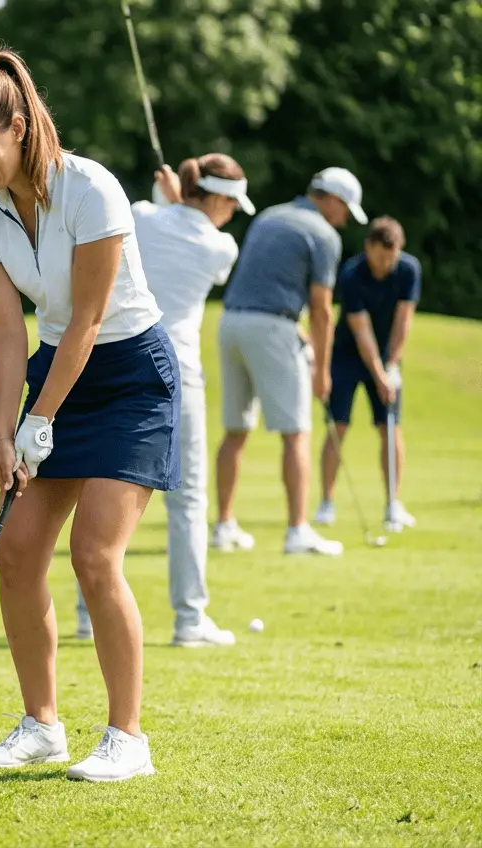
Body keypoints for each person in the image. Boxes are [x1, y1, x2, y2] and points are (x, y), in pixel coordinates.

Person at [0, 48, 179, 782]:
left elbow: (86, 320)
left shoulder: (91, 189)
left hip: (129, 374)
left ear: (17, 126)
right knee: (16, 554)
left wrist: (40, 417)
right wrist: (3, 430)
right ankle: (42, 725)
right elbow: (7, 329)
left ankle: (127, 739)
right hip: (53, 373)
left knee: (95, 556)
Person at [75, 155, 255, 648]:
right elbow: (193, 234)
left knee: (99, 482)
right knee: (188, 498)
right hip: (176, 372)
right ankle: (190, 619)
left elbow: (149, 222)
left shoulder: (141, 213)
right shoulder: (221, 246)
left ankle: (88, 616)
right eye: (232, 204)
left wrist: (168, 201)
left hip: (109, 360)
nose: (234, 214)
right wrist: (176, 200)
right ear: (216, 198)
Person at [212, 167, 367, 556]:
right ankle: (298, 530)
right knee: (296, 432)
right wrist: (323, 370)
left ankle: (224, 525)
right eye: (345, 209)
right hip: (271, 329)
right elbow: (322, 309)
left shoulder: (269, 215)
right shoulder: (324, 235)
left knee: (236, 429)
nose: (345, 219)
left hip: (230, 322)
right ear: (331, 200)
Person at [314, 216, 420, 529]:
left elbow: (404, 321)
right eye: (381, 255)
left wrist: (391, 366)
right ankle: (326, 503)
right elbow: (362, 333)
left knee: (390, 427)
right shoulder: (351, 274)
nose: (387, 263)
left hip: (388, 357)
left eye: (393, 256)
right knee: (339, 426)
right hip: (347, 356)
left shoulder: (409, 270)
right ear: (368, 247)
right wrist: (379, 374)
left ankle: (393, 505)